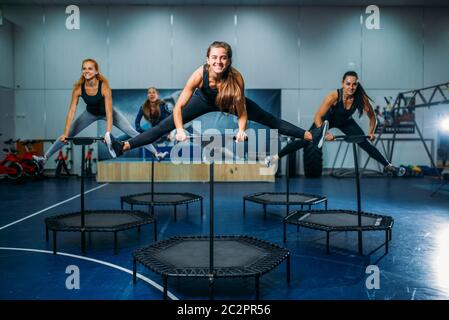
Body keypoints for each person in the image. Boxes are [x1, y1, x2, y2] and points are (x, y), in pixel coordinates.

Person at [107, 41, 327, 157]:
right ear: (207, 59)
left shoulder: (236, 77)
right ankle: (122, 146)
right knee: (163, 127)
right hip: (202, 100)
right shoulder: (198, 74)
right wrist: (181, 129)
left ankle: (311, 136)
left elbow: (242, 111)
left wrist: (241, 130)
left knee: (269, 119)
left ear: (229, 60)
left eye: (223, 58)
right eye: (214, 57)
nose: (218, 62)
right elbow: (177, 108)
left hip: (229, 103)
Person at [264, 71, 405, 176]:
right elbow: (317, 116)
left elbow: (372, 117)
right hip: (326, 120)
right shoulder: (333, 96)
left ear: (357, 84)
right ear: (343, 83)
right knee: (305, 139)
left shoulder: (360, 98)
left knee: (364, 142)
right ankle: (273, 158)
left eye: (354, 84)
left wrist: (371, 132)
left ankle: (388, 165)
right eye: (348, 84)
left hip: (346, 122)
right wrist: (324, 133)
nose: (351, 87)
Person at [33, 58, 166, 166]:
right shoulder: (78, 89)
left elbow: (108, 112)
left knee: (132, 132)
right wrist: (66, 132)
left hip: (109, 113)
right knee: (66, 135)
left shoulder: (104, 87)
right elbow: (71, 111)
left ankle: (156, 153)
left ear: (96, 71)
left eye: (90, 68)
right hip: (90, 114)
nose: (86, 71)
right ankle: (44, 158)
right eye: (84, 68)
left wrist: (108, 133)